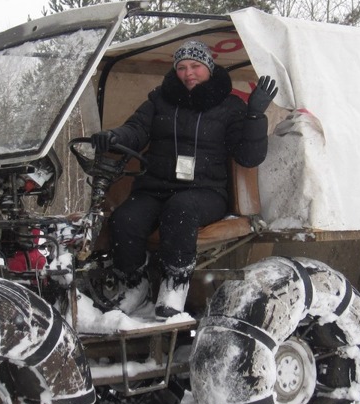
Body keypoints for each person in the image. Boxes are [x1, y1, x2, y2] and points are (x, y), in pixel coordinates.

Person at [91, 39, 276, 319]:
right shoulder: (159, 100)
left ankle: (174, 285)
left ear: (209, 67)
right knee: (125, 219)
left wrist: (254, 115)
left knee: (181, 210)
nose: (188, 73)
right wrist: (115, 137)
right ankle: (134, 286)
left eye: (195, 66)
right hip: (155, 187)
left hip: (205, 190)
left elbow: (249, 157)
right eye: (182, 67)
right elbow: (136, 129)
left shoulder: (230, 106)